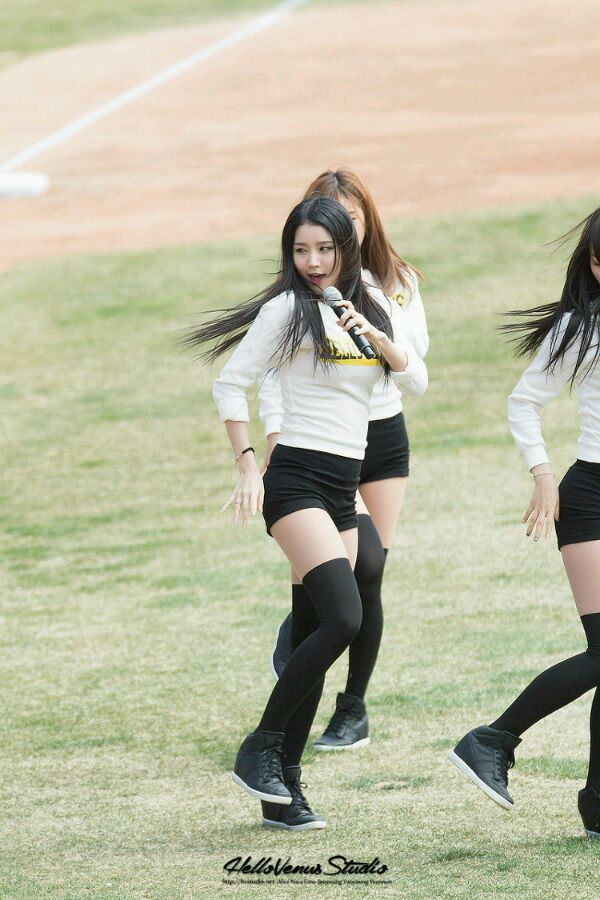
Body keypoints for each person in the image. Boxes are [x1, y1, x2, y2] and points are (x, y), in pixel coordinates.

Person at [189, 196, 427, 830]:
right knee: (344, 617)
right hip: (294, 480)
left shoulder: (368, 308)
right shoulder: (285, 311)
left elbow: (417, 380)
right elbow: (230, 383)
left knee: (310, 635)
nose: (314, 262)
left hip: (344, 485)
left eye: (325, 249)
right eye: (301, 250)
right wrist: (247, 463)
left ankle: (283, 790)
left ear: (347, 249)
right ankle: (261, 747)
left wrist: (376, 335)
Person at [260, 169, 428, 753]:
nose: (338, 237)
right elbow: (272, 370)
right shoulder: (299, 292)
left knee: (371, 570)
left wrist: (377, 331)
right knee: (354, 564)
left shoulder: (396, 281)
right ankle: (299, 646)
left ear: (365, 222)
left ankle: (352, 708)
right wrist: (275, 435)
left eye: (350, 220)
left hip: (382, 434)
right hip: (324, 442)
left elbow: (415, 359)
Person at [448, 207, 600, 838]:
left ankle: (598, 803)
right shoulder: (580, 327)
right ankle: (493, 738)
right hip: (591, 497)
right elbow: (524, 401)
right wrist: (542, 473)